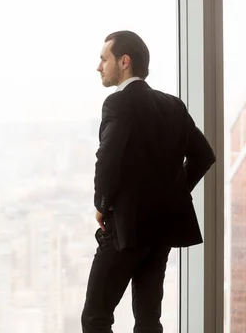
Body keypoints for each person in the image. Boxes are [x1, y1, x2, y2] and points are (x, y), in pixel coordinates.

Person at [81, 30, 216, 333]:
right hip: (162, 229)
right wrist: (171, 192)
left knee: (95, 317)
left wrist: (101, 206)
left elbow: (108, 161)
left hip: (126, 230)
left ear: (124, 61)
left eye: (104, 58)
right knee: (148, 320)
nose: (98, 66)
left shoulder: (117, 104)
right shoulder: (172, 105)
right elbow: (203, 156)